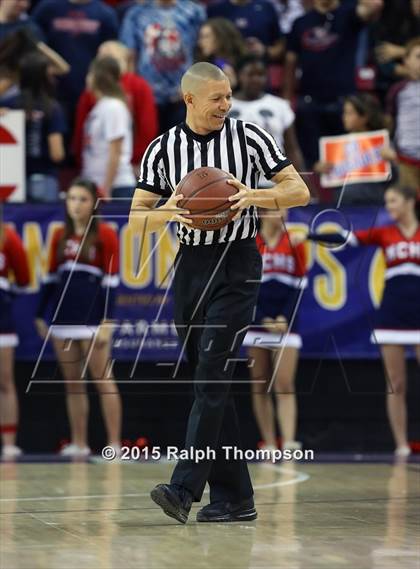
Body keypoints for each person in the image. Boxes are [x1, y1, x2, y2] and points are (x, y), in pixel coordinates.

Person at [129, 62, 309, 523]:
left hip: (238, 264)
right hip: (191, 267)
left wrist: (255, 196)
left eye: (228, 96)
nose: (226, 105)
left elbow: (299, 190)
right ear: (189, 99)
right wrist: (169, 211)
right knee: (210, 382)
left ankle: (183, 488)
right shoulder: (163, 149)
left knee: (212, 372)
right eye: (217, 98)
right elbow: (136, 219)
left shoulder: (249, 137)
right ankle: (235, 498)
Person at [302, 186, 420, 457]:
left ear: (410, 201)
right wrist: (316, 234)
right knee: (396, 383)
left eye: (393, 200)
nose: (389, 206)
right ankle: (401, 444)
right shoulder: (385, 233)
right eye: (387, 201)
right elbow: (347, 239)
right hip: (392, 313)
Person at [34, 178, 122, 457]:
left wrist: (108, 321)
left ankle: (114, 444)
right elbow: (49, 281)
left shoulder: (105, 235)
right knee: (73, 383)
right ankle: (79, 443)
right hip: (63, 320)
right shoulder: (60, 235)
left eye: (82, 199)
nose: (76, 204)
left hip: (93, 320)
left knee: (103, 380)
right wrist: (39, 316)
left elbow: (111, 282)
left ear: (93, 203)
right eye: (71, 198)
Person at [284, 0, 384, 170]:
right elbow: (290, 62)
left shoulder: (349, 13)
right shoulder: (301, 22)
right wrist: (286, 99)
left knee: (347, 161)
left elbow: (374, 5)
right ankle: (315, 197)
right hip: (309, 101)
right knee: (314, 163)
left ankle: (346, 196)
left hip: (344, 102)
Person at [243, 208, 307, 454]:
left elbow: (300, 288)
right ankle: (268, 442)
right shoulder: (250, 244)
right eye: (277, 209)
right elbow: (244, 290)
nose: (282, 214)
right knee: (259, 384)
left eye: (285, 210)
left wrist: (284, 318)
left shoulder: (294, 243)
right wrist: (262, 318)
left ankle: (289, 441)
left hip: (285, 324)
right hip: (258, 321)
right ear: (263, 212)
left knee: (284, 383)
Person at [119, 0, 206, 133]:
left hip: (183, 94)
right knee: (151, 147)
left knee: (181, 146)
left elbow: (202, 51)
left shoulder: (194, 12)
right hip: (148, 95)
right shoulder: (137, 14)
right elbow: (129, 55)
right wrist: (132, 90)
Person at [73, 40, 158, 170]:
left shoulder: (139, 86)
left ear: (124, 60)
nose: (105, 63)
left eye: (110, 57)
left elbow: (147, 127)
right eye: (101, 57)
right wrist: (82, 160)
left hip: (127, 164)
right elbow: (81, 129)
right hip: (95, 163)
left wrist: (135, 159)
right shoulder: (90, 92)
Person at [32, 0, 118, 126]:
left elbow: (111, 54)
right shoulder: (47, 8)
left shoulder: (105, 13)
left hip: (90, 89)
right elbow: (35, 45)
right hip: (53, 90)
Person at [2, 51, 66, 202]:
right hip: (44, 178)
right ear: (44, 77)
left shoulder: (8, 105)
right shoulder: (52, 108)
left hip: (14, 179)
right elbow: (56, 153)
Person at [230, 55, 304, 175]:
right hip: (235, 181)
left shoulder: (280, 106)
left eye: (260, 75)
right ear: (240, 76)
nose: (255, 79)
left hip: (274, 182)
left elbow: (292, 148)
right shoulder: (225, 106)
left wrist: (303, 182)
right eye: (250, 74)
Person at [315, 93, 393, 205]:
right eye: (344, 112)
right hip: (344, 206)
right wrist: (319, 169)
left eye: (349, 113)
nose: (344, 117)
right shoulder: (336, 145)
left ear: (364, 117)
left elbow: (396, 178)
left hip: (374, 206)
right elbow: (327, 177)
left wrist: (394, 159)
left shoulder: (384, 143)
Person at [81, 56, 136, 198]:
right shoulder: (101, 107)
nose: (87, 78)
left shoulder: (113, 107)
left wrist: (107, 187)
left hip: (116, 186)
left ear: (97, 77)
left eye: (89, 74)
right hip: (98, 183)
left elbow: (115, 150)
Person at [0, 219, 30, 459]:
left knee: (5, 380)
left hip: (2, 318)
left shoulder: (8, 236)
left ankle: (9, 442)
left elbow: (24, 278)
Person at [383, 38, 420, 195]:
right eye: (418, 57)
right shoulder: (398, 90)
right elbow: (389, 124)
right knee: (409, 205)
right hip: (407, 161)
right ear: (406, 60)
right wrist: (389, 147)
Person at [207, 0, 284, 62]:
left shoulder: (266, 7)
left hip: (258, 73)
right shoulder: (215, 9)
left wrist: (265, 51)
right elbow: (205, 46)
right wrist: (222, 62)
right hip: (225, 73)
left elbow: (280, 46)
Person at [195, 18, 247, 89]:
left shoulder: (245, 63)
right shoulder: (203, 66)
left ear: (221, 37)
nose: (200, 43)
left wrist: (235, 86)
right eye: (200, 37)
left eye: (206, 37)